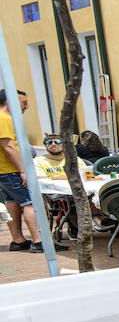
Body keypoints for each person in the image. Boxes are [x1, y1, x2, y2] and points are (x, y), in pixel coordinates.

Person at [0, 90, 68, 252]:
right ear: (10, 102)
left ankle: (18, 240)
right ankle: (39, 241)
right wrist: (23, 171)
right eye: (24, 103)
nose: (27, 106)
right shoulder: (4, 119)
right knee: (31, 203)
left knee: (13, 202)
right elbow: (8, 146)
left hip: (6, 171)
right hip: (12, 170)